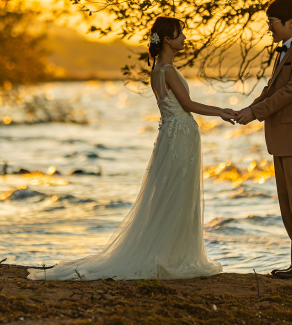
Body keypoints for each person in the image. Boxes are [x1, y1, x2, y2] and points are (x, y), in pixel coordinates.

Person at [28, 16, 232, 280]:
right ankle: (171, 256)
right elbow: (189, 105)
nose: (184, 38)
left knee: (171, 195)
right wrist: (223, 111)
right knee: (178, 194)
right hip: (179, 136)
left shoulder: (156, 70)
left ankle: (167, 253)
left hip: (172, 136)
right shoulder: (167, 71)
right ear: (167, 40)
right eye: (179, 34)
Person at [232, 0, 292, 279]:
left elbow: (290, 93)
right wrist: (249, 110)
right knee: (287, 203)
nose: (268, 28)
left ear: (290, 23)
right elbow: (272, 90)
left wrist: (255, 112)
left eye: (272, 22)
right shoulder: (283, 52)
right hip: (283, 138)